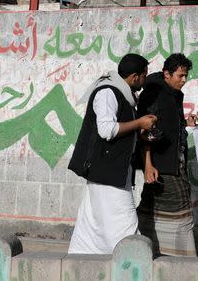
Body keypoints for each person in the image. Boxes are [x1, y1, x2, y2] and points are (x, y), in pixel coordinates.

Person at [67, 53, 157, 254]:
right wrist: (139, 123)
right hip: (107, 173)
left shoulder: (123, 95)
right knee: (125, 223)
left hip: (112, 172)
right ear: (135, 77)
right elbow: (106, 130)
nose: (144, 80)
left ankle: (83, 263)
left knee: (92, 224)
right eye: (144, 75)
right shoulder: (108, 93)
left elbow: (121, 130)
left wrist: (139, 132)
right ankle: (130, 262)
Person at [136, 53, 198, 257]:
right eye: (180, 76)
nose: (184, 80)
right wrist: (148, 164)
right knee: (180, 209)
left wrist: (186, 122)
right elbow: (145, 131)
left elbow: (168, 124)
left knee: (152, 208)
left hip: (175, 161)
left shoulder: (175, 94)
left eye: (185, 76)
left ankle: (153, 250)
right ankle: (180, 257)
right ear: (167, 74)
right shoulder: (152, 93)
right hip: (161, 165)